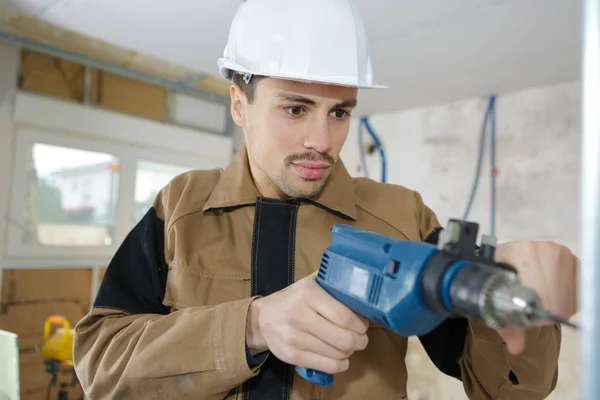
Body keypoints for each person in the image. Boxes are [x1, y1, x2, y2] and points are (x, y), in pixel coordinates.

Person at [72, 0, 578, 399]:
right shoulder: (180, 207)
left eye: (340, 113)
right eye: (295, 109)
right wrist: (251, 326)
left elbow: (504, 391)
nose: (323, 140)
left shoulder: (401, 217)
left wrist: (515, 308)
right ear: (238, 104)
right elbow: (100, 367)